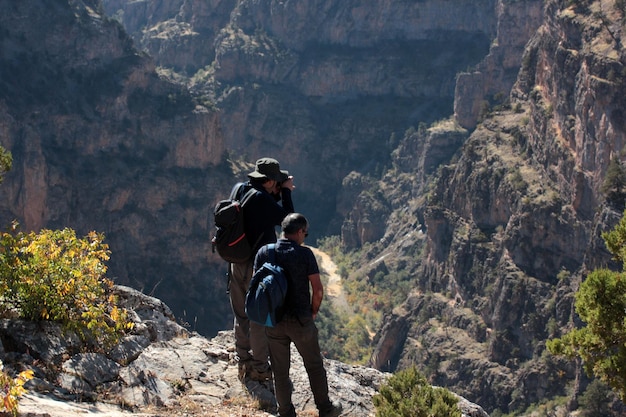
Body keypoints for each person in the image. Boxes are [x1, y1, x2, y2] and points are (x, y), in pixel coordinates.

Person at [254, 213, 343, 417]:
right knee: (314, 365)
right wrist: (313, 312)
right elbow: (318, 289)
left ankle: (285, 412)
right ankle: (325, 409)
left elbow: (257, 285)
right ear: (300, 231)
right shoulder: (305, 254)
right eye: (306, 233)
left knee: (280, 371)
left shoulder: (264, 252)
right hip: (300, 319)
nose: (305, 236)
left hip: (274, 320)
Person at [229, 157, 295, 383]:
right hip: (254, 267)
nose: (278, 184)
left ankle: (243, 360)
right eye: (276, 181)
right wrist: (286, 192)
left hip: (236, 263)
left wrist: (277, 191)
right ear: (268, 182)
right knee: (257, 316)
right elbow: (289, 221)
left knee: (240, 313)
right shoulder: (262, 200)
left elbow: (262, 208)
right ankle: (259, 368)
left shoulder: (241, 190)